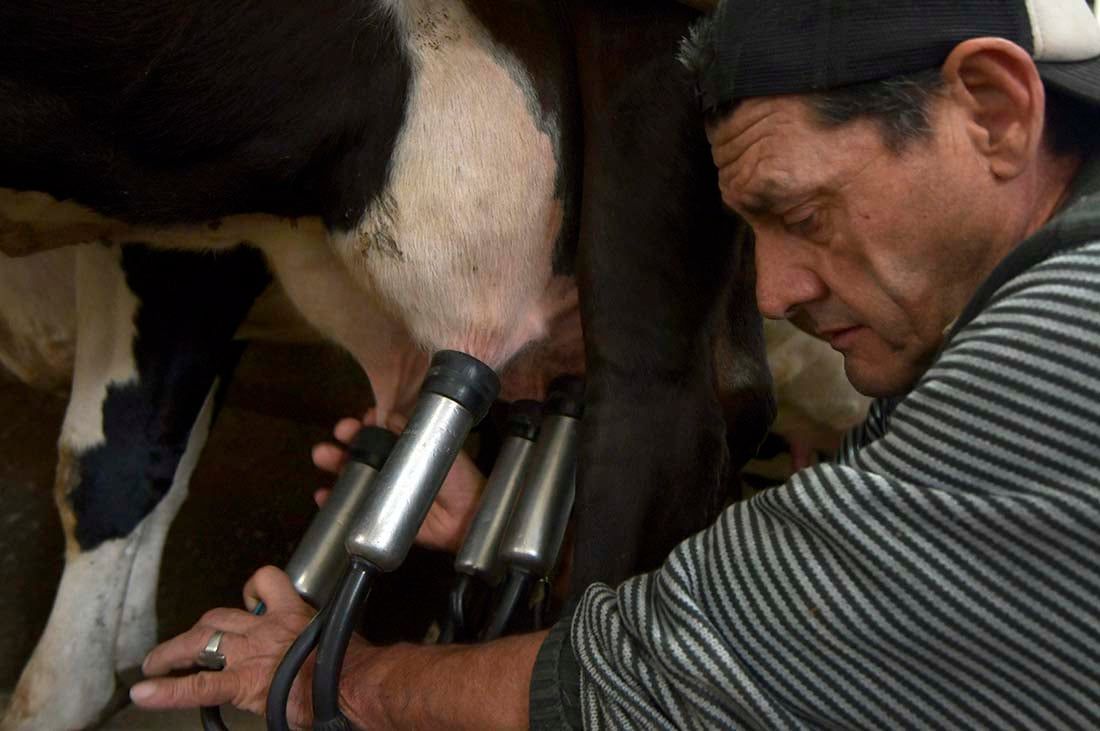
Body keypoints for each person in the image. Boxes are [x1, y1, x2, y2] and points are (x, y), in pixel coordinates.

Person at [131, 0, 1100, 727]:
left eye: (803, 214)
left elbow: (686, 671)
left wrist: (332, 677)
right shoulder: (1019, 307)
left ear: (991, 107)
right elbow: (859, 591)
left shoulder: (1063, 340)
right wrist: (501, 527)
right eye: (753, 234)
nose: (770, 293)